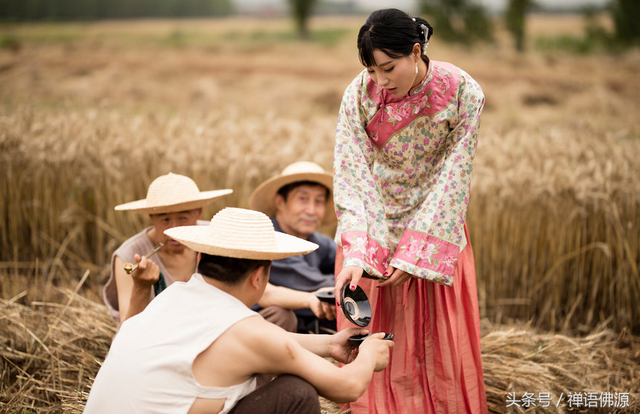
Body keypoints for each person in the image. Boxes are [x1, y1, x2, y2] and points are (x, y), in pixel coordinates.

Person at [84, 207, 394, 414]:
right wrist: (369, 355)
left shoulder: (174, 295)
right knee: (296, 394)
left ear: (201, 258)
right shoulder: (246, 330)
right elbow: (348, 386)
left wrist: (330, 344)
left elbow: (267, 343)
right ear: (259, 276)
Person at [332, 8, 488, 414]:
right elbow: (351, 173)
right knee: (375, 342)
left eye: (388, 67)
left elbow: (455, 176)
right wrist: (361, 250)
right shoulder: (359, 95)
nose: (379, 81)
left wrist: (417, 253)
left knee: (440, 348)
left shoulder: (461, 91)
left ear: (416, 51)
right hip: (373, 227)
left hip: (436, 226)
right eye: (370, 70)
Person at [103, 172, 232, 325]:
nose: (174, 229)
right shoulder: (128, 256)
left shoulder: (214, 238)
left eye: (183, 218)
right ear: (152, 217)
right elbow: (127, 330)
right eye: (165, 220)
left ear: (199, 212)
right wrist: (141, 288)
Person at [249, 161, 337, 333]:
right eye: (303, 199)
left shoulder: (318, 241)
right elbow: (315, 284)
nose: (311, 210)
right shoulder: (269, 239)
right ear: (280, 202)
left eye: (318, 201)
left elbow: (345, 263)